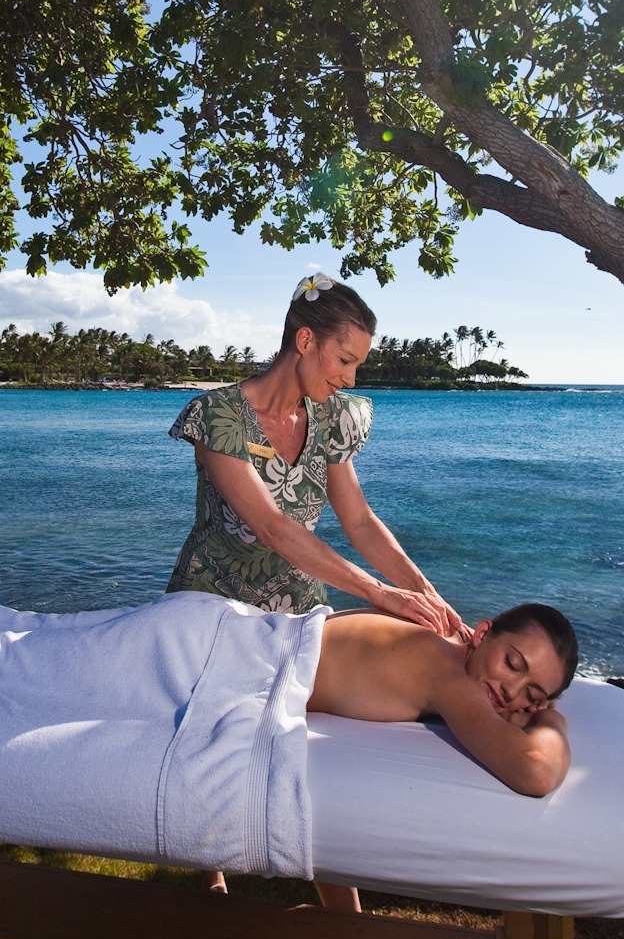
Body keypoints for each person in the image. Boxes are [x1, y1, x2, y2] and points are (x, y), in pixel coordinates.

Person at [166, 273, 466, 638]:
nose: (351, 379)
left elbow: (360, 522)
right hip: (210, 612)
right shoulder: (219, 415)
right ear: (306, 340)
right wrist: (380, 592)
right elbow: (272, 527)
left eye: (357, 365)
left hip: (298, 615)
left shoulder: (332, 418)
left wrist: (427, 595)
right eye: (345, 360)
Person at [310, 601, 578, 799]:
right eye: (512, 664)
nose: (511, 690)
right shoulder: (444, 673)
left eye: (531, 695)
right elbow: (537, 771)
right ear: (482, 634)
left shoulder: (447, 636)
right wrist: (552, 720)